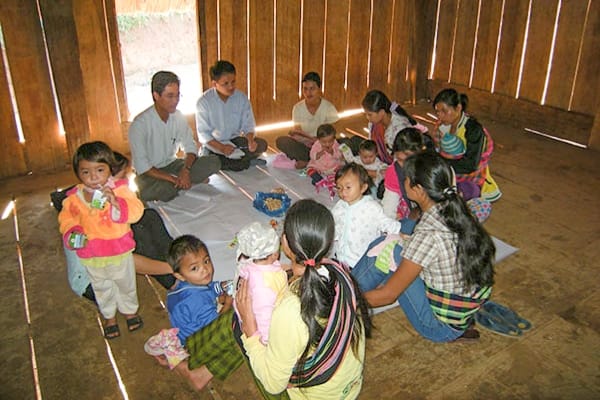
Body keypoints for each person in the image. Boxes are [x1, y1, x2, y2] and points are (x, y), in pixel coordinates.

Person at [177, 199, 372, 399]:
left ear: (285, 241)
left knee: (240, 323)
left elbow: (273, 384)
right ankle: (201, 370)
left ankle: (190, 355)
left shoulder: (291, 309)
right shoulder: (340, 273)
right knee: (251, 316)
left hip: (309, 395)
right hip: (345, 388)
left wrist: (250, 330)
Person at [354, 151, 495, 342]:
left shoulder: (428, 235)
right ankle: (347, 288)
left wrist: (347, 303)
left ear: (419, 189)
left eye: (406, 179)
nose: (403, 182)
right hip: (463, 312)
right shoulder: (457, 210)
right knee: (398, 236)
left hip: (439, 327)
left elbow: (388, 295)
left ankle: (341, 295)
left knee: (384, 250)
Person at [51, 152, 176, 303]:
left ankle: (176, 259)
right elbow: (124, 259)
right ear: (108, 178)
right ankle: (174, 280)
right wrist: (173, 270)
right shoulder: (89, 209)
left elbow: (134, 211)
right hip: (93, 281)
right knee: (137, 236)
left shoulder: (98, 193)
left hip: (109, 265)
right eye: (123, 177)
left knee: (148, 216)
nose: (126, 182)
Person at [58, 141, 145, 339]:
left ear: (110, 169)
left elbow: (136, 212)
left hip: (119, 250)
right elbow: (66, 220)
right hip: (92, 254)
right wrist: (74, 232)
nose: (93, 177)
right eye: (85, 172)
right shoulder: (74, 198)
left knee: (125, 283)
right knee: (102, 286)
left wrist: (116, 202)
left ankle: (130, 311)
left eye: (99, 170)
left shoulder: (120, 190)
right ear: (77, 173)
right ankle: (109, 317)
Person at [128, 71, 221, 202]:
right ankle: (180, 184)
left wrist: (186, 171)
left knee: (213, 162)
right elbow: (143, 166)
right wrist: (174, 179)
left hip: (173, 165)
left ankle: (181, 183)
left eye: (177, 95)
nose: (175, 101)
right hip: (150, 174)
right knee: (164, 188)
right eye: (170, 96)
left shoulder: (178, 116)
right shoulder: (139, 124)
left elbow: (190, 147)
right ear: (156, 96)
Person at [144, 235, 232, 369]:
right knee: (237, 323)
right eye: (194, 268)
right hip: (197, 339)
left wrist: (222, 287)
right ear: (179, 275)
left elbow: (209, 288)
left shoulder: (187, 284)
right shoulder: (196, 300)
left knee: (221, 297)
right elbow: (216, 326)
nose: (205, 269)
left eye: (206, 261)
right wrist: (229, 304)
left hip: (191, 321)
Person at [196, 60, 268, 171]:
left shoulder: (241, 98)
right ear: (215, 84)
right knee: (216, 160)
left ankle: (235, 162)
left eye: (233, 82)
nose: (231, 87)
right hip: (215, 144)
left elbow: (248, 125)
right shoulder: (204, 102)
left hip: (235, 143)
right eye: (226, 84)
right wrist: (222, 148)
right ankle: (241, 162)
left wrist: (250, 141)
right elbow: (203, 134)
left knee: (262, 145)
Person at [432, 88, 501, 202]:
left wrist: (441, 165)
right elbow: (437, 149)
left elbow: (471, 164)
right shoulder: (441, 127)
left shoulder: (473, 129)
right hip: (450, 171)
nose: (440, 116)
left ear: (458, 108)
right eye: (437, 112)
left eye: (444, 111)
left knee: (466, 192)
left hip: (471, 176)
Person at [331, 163, 401, 269]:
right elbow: (332, 223)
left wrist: (399, 230)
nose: (343, 191)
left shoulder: (371, 207)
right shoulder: (340, 205)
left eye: (348, 187)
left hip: (362, 260)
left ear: (363, 187)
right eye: (339, 188)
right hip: (341, 257)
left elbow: (385, 222)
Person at [233, 221, 288, 344]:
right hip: (259, 329)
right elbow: (263, 315)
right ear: (274, 254)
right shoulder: (263, 285)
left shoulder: (256, 265)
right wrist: (265, 341)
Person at [275, 72, 339, 169]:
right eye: (305, 89)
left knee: (343, 143)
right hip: (306, 145)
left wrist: (319, 142)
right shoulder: (297, 108)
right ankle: (312, 160)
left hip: (324, 145)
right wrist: (310, 140)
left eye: (312, 89)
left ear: (319, 89)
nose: (308, 93)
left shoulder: (329, 107)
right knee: (281, 141)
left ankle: (309, 161)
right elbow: (297, 134)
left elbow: (333, 133)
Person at [353, 90, 421, 164]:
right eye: (365, 114)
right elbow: (372, 147)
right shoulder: (374, 124)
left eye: (370, 114)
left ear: (382, 112)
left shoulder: (399, 129)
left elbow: (402, 160)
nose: (367, 117)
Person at [380, 127, 427, 233]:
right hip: (410, 216)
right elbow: (389, 208)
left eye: (410, 160)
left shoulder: (432, 168)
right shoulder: (395, 172)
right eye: (400, 160)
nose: (405, 166)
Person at [306, 123, 344, 192]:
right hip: (319, 166)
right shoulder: (316, 144)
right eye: (324, 142)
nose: (327, 144)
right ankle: (319, 180)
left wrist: (332, 152)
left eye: (330, 141)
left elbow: (339, 155)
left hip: (332, 167)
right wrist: (318, 154)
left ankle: (332, 180)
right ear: (319, 140)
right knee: (310, 169)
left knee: (341, 169)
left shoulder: (335, 144)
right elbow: (311, 155)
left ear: (334, 138)